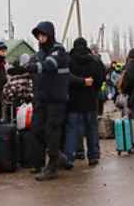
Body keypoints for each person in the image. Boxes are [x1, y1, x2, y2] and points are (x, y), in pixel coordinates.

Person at [20, 21, 72, 181]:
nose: (40, 38)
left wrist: (33, 67)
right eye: (38, 35)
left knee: (52, 130)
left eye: (43, 35)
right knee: (36, 130)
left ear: (49, 34)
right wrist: (24, 67)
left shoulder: (58, 50)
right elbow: (33, 64)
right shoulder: (39, 53)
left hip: (56, 99)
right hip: (41, 99)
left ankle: (52, 167)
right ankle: (59, 156)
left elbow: (50, 65)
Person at [64, 37, 107, 167]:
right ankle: (93, 156)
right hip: (90, 101)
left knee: (72, 130)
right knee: (92, 129)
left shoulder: (68, 60)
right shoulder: (95, 60)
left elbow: (65, 79)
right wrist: (94, 90)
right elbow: (101, 78)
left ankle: (70, 158)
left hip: (73, 102)